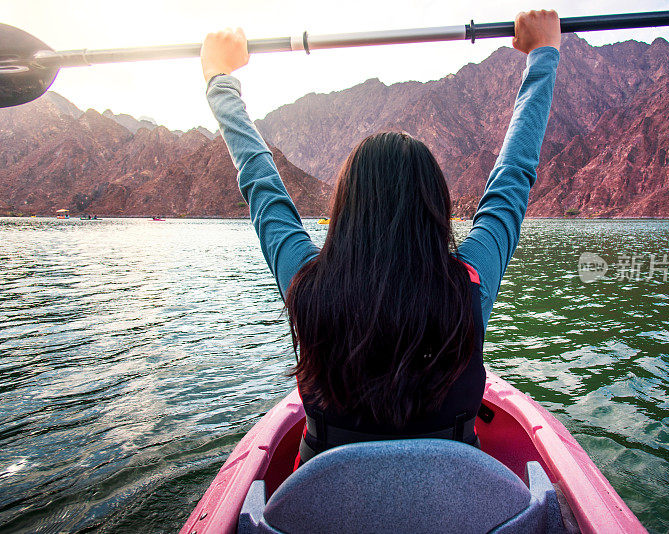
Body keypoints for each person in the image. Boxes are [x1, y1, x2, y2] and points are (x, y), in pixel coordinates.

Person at [201, 10, 561, 466]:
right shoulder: (468, 284)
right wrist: (543, 54)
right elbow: (513, 176)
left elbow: (259, 182)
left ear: (346, 209)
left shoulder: (304, 282)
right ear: (435, 209)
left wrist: (219, 79)